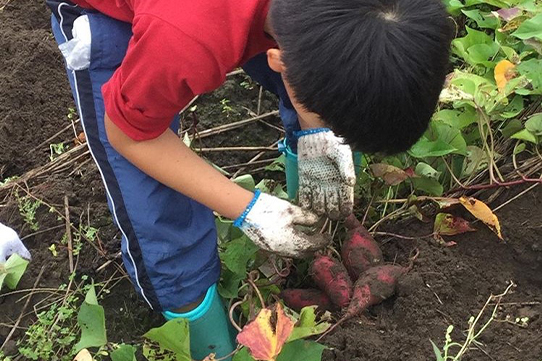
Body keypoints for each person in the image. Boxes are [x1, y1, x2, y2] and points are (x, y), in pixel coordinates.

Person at [1, 0, 453, 359]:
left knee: (328, 96)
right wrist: (247, 207)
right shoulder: (183, 34)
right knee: (154, 200)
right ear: (277, 58)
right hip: (113, 14)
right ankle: (207, 340)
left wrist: (320, 144)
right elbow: (130, 136)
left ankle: (313, 216)